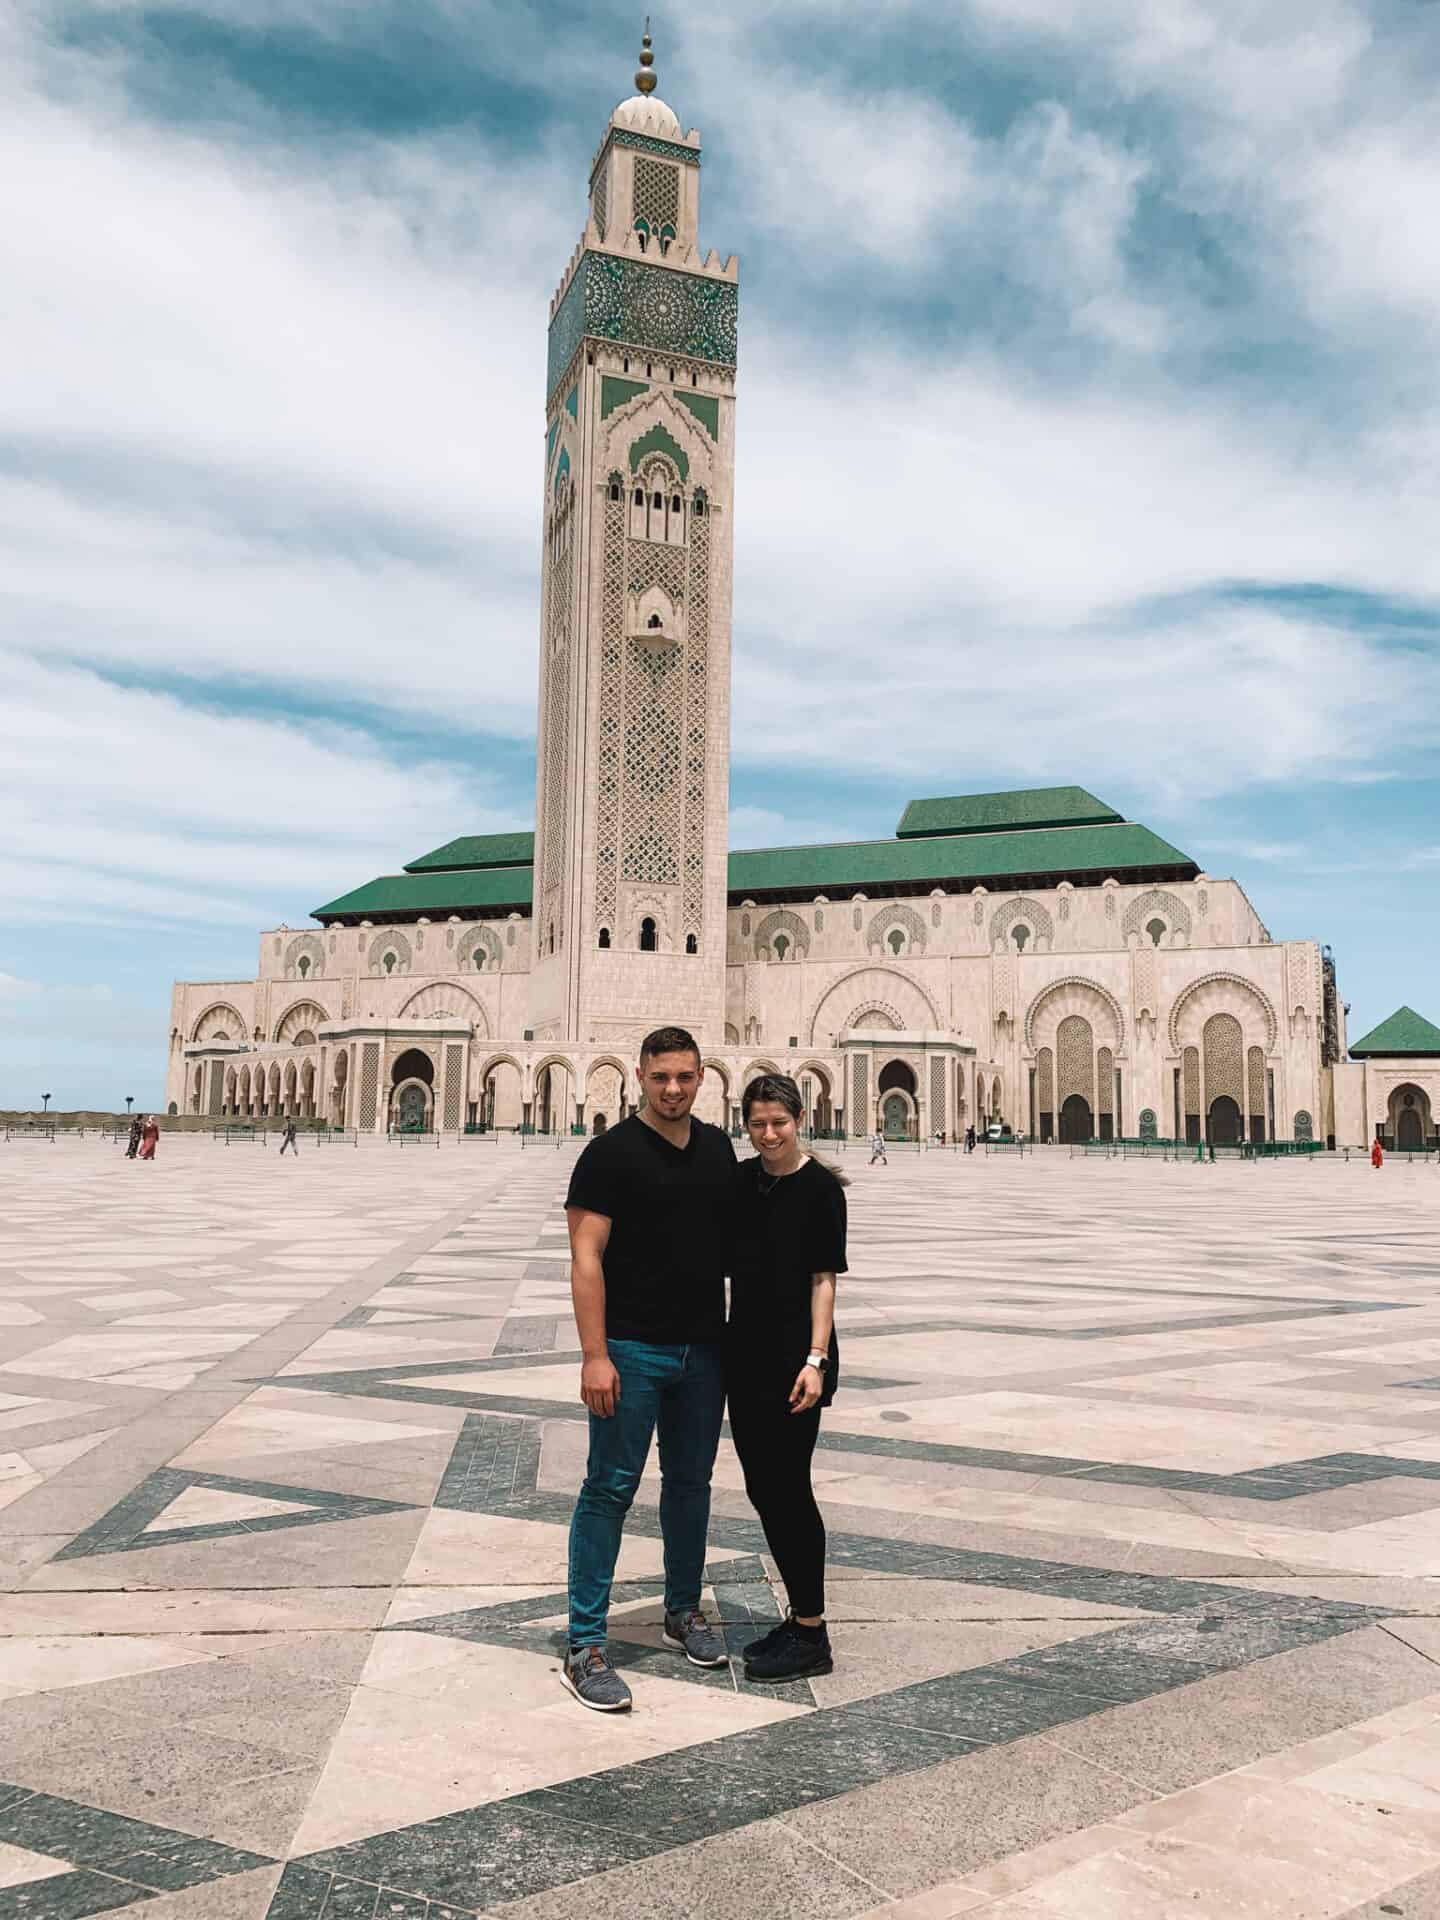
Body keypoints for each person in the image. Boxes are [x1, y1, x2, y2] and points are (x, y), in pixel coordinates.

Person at [560, 1025, 735, 1712]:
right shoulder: (607, 1157)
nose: (673, 1089)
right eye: (661, 1077)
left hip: (703, 1351)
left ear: (701, 1078)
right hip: (630, 1351)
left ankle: (683, 1610)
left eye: (685, 1077)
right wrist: (595, 1354)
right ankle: (585, 1644)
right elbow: (585, 1258)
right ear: (639, 1076)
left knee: (691, 1485)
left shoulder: (718, 1148)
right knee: (608, 1489)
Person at [727, 1072, 848, 1683]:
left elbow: (823, 1280)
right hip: (745, 1357)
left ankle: (812, 1632)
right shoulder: (743, 1182)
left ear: (799, 1118)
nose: (769, 1134)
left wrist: (816, 1359)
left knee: (789, 1488)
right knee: (762, 1488)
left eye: (779, 1122)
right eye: (757, 1123)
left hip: (797, 1364)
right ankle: (799, 1617)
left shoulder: (821, 1189)